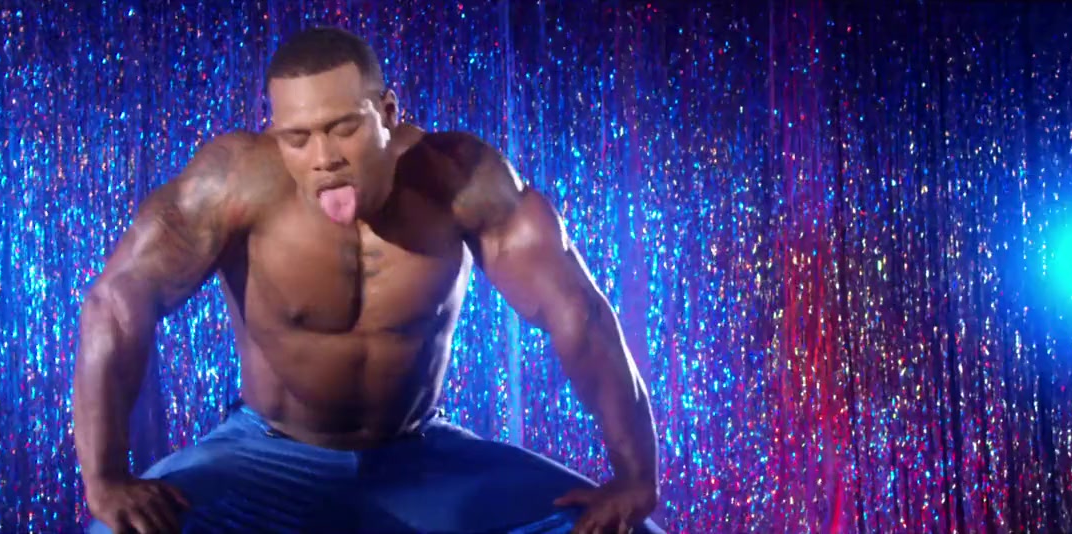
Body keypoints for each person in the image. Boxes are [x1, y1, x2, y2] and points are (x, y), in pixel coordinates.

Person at [74, 26, 663, 534]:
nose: (323, 156)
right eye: (298, 137)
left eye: (343, 128)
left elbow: (577, 313)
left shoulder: (459, 180)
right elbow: (116, 305)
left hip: (423, 459)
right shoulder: (233, 184)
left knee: (624, 529)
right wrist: (105, 479)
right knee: (117, 531)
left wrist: (636, 476)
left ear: (387, 112)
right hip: (263, 458)